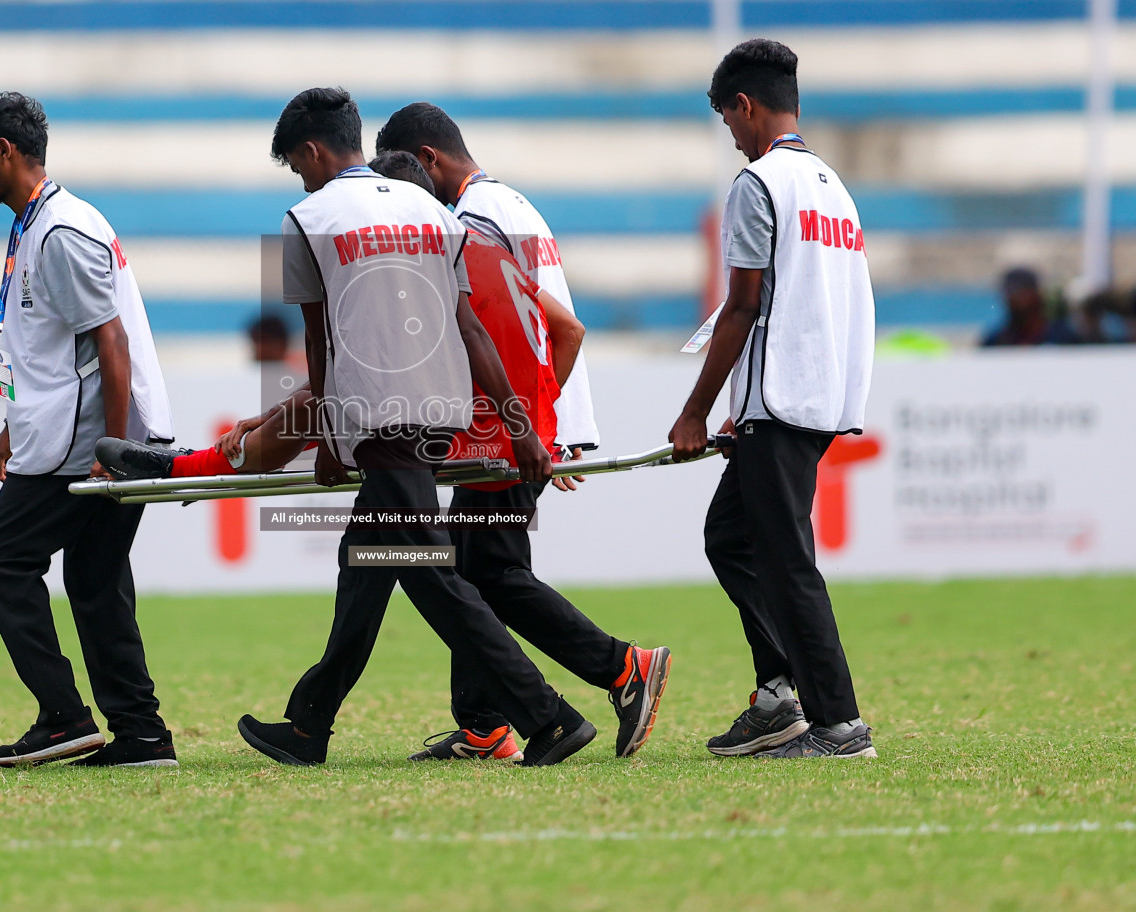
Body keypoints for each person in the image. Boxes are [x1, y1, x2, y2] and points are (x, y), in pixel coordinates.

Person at [98, 150, 672, 763]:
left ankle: (572, 698)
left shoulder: (410, 262)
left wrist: (523, 429)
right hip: (489, 434)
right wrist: (541, 422)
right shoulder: (476, 246)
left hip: (465, 439)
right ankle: (323, 724)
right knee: (376, 570)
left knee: (468, 576)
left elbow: (348, 378)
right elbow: (566, 330)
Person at [233, 88, 596, 767]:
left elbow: (322, 343)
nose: (299, 178)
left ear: (312, 152)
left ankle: (550, 717)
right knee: (366, 562)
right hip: (444, 417)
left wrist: (332, 438)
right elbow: (468, 328)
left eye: (297, 165)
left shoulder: (307, 218)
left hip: (379, 420)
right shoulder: (430, 207)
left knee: (431, 576)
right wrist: (518, 424)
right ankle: (309, 722)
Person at [667, 40, 878, 759]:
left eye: (727, 117)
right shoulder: (830, 186)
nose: (730, 131)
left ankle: (838, 725)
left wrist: (696, 410)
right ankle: (778, 695)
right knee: (731, 536)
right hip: (813, 394)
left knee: (786, 561)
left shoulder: (758, 184)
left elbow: (743, 304)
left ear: (745, 106)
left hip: (782, 400)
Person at [0, 92, 178, 769]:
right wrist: (8, 419)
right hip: (79, 434)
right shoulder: (35, 227)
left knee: (1, 559)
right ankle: (141, 734)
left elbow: (110, 344)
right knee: (95, 579)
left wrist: (111, 453)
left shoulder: (60, 230)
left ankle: (63, 717)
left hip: (84, 445)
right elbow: (32, 339)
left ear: (6, 152)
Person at [374, 103, 601, 481]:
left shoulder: (471, 223)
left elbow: (497, 329)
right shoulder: (514, 202)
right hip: (535, 423)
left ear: (428, 159)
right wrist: (552, 422)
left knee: (478, 534)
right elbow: (558, 324)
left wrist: (534, 428)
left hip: (509, 434)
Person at [980, 268, 1079, 346]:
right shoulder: (995, 341)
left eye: (1019, 292)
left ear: (1036, 293)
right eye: (1008, 293)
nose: (1012, 299)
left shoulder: (1063, 337)